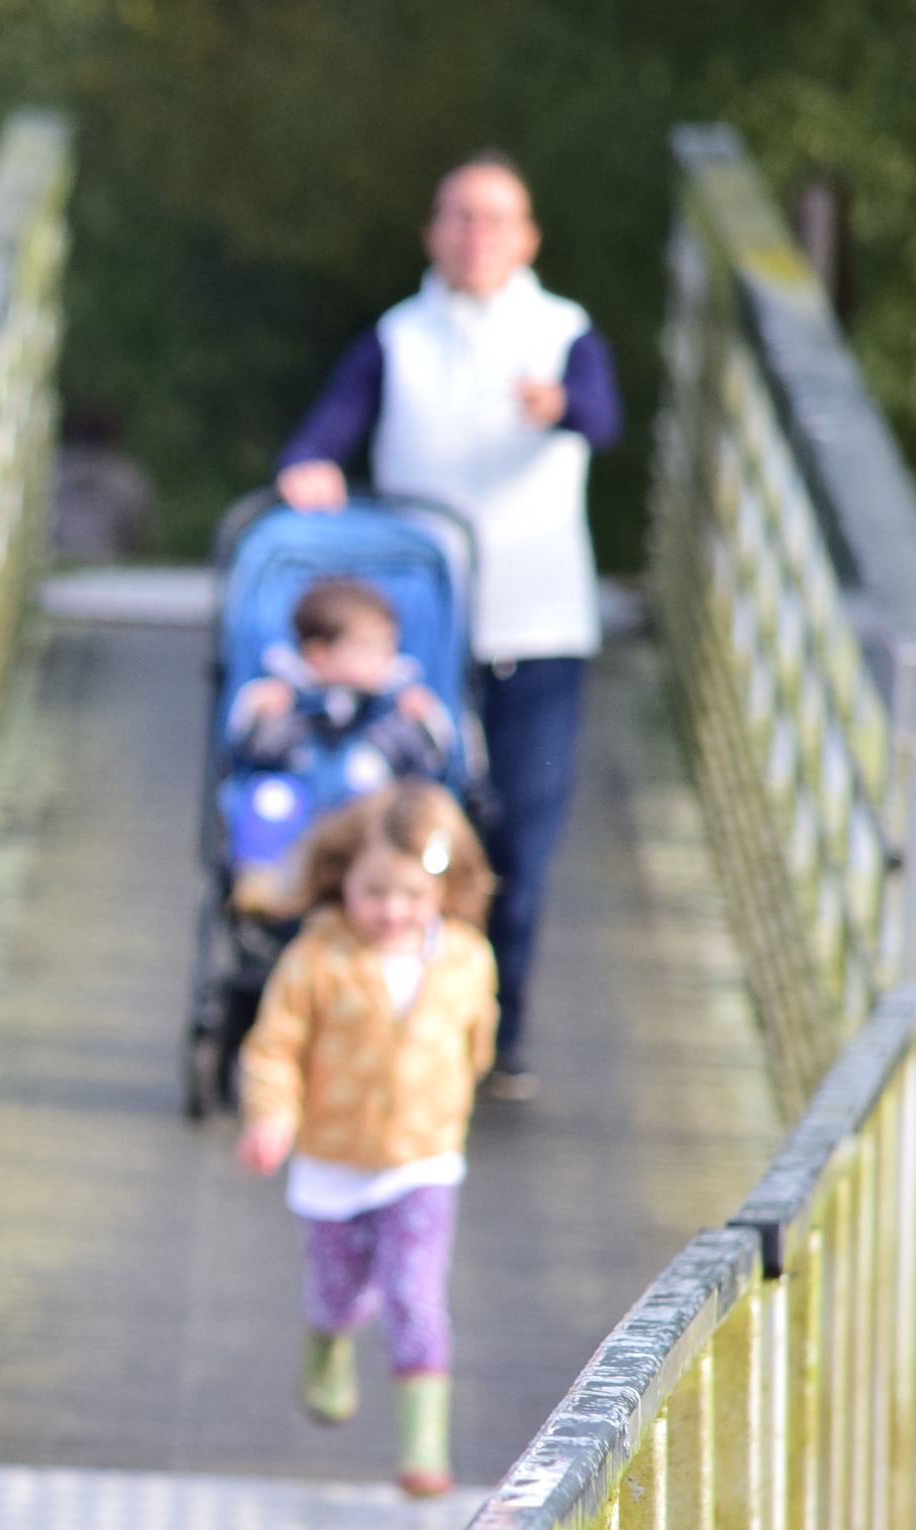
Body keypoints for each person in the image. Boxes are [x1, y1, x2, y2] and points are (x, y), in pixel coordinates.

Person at [274, 150, 621, 1101]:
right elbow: (328, 427)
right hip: (421, 637)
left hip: (537, 627)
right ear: (433, 232)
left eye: (494, 219)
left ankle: (501, 1032)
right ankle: (403, 1019)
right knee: (413, 830)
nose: (476, 237)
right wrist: (310, 467)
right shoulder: (399, 336)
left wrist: (561, 406)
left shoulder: (563, 331)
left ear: (527, 238)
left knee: (523, 838)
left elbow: (604, 417)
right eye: (460, 217)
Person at [236, 782, 499, 1497]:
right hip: (334, 1159)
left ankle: (424, 1448)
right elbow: (275, 1046)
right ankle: (326, 1342)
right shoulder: (318, 959)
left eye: (413, 895)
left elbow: (477, 1037)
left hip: (424, 1161)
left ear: (444, 887)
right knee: (340, 1293)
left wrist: (455, 1097)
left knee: (416, 1292)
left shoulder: (467, 958)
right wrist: (272, 1115)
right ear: (343, 877)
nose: (393, 911)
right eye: (375, 892)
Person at [221, 575, 454, 913]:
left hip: (368, 822)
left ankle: (391, 886)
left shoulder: (395, 707)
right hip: (300, 822)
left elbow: (430, 764)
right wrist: (259, 716)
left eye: (388, 646)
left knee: (399, 808)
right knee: (268, 796)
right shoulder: (286, 699)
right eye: (367, 647)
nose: (384, 658)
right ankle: (262, 881)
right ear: (318, 655)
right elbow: (252, 753)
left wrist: (424, 722)